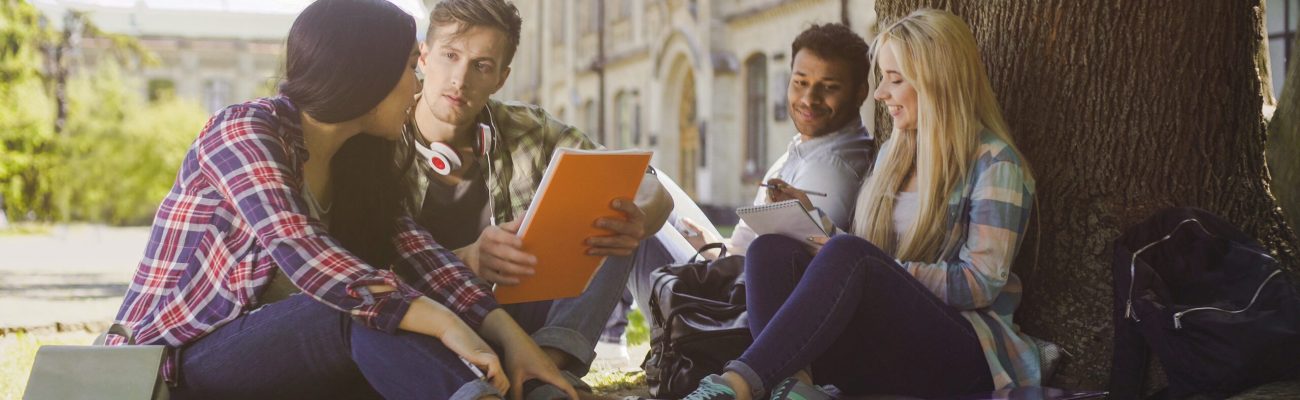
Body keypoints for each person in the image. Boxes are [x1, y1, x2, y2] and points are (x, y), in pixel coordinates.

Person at [108, 1, 576, 398]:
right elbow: (303, 253)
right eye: (411, 67)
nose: (420, 85)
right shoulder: (243, 133)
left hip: (300, 363)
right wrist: (441, 321)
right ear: (366, 78)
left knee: (391, 303)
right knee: (358, 304)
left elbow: (425, 259)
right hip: (181, 365)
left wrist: (512, 340)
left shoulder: (361, 160)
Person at [680, 9, 1041, 400]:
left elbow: (981, 284)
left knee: (851, 252)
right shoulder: (893, 155)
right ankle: (794, 386)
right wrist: (812, 222)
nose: (881, 94)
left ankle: (736, 385)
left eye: (895, 80)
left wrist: (885, 269)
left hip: (960, 352)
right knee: (770, 250)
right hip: (884, 342)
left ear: (938, 82)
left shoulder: (995, 163)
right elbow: (863, 259)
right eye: (881, 78)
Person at [403, 0, 672, 398]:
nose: (460, 79)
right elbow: (367, 272)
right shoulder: (385, 137)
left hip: (524, 316)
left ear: (500, 78)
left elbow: (651, 188)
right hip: (432, 327)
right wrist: (469, 259)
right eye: (450, 56)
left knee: (614, 208)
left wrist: (640, 216)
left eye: (481, 65)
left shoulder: (526, 128)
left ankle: (547, 364)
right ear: (424, 56)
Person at [679, 23, 875, 259]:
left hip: (735, 291)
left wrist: (716, 254)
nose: (809, 99)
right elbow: (743, 250)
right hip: (731, 269)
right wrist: (712, 246)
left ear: (860, 92)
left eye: (829, 87)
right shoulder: (805, 148)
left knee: (643, 225)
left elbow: (783, 274)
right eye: (801, 82)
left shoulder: (831, 169)